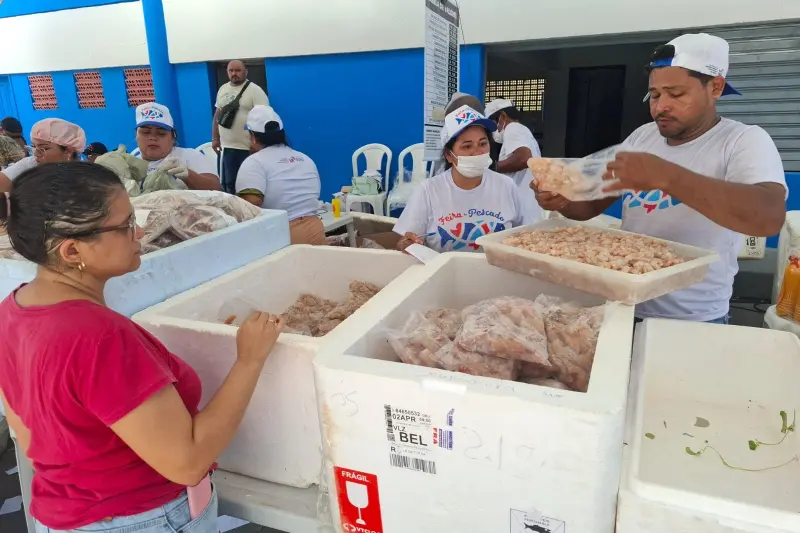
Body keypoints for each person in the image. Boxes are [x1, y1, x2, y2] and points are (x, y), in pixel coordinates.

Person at [0, 162, 285, 533]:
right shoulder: (99, 337)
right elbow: (188, 462)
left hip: (64, 515)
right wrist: (250, 359)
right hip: (139, 519)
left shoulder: (14, 309)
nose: (139, 231)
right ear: (72, 251)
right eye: (124, 226)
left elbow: (31, 437)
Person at [534, 33, 787, 324]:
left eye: (676, 94)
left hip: (693, 318)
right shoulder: (643, 137)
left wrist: (666, 176)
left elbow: (767, 217)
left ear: (715, 87)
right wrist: (562, 199)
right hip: (623, 305)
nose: (660, 106)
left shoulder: (742, 141)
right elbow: (589, 206)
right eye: (654, 95)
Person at [394, 105, 536, 252]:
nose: (477, 153)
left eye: (482, 143)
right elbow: (407, 240)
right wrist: (407, 244)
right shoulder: (429, 191)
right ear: (449, 155)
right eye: (467, 147)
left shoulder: (506, 186)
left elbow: (524, 234)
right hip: (446, 273)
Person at [237, 106, 324, 245]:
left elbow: (249, 207)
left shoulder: (254, 163)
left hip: (281, 234)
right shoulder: (305, 158)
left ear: (253, 137)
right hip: (316, 230)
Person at [135, 102, 221, 191]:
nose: (152, 138)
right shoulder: (128, 165)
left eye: (161, 134)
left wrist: (189, 175)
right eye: (145, 132)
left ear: (173, 138)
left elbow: (216, 188)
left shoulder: (190, 156)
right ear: (136, 136)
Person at [213, 60, 269, 194]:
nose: (234, 74)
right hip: (227, 148)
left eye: (237, 70)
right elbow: (217, 115)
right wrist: (215, 138)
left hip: (248, 149)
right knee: (228, 185)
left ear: (246, 72)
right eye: (231, 70)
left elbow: (265, 118)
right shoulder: (223, 89)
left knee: (248, 186)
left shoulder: (255, 91)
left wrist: (258, 144)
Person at [485, 98, 544, 221]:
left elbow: (523, 158)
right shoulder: (522, 130)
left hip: (523, 207)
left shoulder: (512, 128)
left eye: (493, 123)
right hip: (528, 205)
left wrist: (490, 168)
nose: (493, 131)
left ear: (502, 116)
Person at [0, 118, 86, 193]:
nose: (36, 154)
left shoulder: (85, 177)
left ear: (68, 151)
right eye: (33, 146)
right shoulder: (31, 163)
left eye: (44, 148)